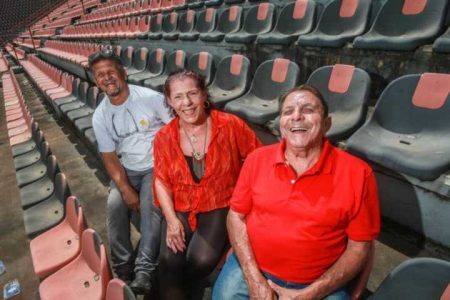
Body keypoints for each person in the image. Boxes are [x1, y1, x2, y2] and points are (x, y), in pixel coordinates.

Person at [213, 84, 380, 300]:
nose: (297, 117)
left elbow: (360, 247)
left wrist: (311, 294)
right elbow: (236, 216)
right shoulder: (257, 159)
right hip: (253, 267)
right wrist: (254, 277)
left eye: (308, 110)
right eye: (288, 111)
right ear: (281, 125)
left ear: (327, 124)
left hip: (320, 281)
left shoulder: (359, 173)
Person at [153, 70, 262, 300]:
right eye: (179, 97)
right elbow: (161, 180)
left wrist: (247, 207)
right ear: (170, 102)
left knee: (199, 262)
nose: (187, 103)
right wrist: (172, 220)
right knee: (169, 261)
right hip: (181, 203)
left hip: (219, 200)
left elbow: (258, 160)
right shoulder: (164, 136)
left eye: (193, 93)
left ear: (204, 95)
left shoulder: (230, 125)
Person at [89, 49, 173, 294]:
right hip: (128, 169)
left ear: (123, 73)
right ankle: (124, 270)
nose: (107, 78)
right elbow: (109, 156)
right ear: (96, 81)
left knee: (150, 206)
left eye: (111, 72)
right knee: (114, 208)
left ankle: (145, 270)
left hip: (156, 166)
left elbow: (175, 131)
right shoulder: (100, 116)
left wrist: (166, 168)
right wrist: (125, 188)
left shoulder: (150, 98)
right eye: (100, 75)